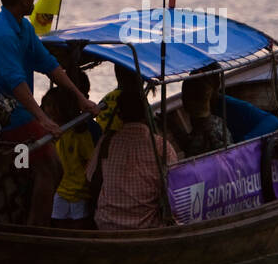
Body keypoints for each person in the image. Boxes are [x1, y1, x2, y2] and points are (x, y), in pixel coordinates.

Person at [0, 0, 99, 225]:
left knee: (42, 168)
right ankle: (35, 230)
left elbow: (48, 64)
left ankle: (28, 218)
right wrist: (43, 118)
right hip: (8, 117)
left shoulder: (24, 27)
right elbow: (16, 83)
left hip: (22, 113)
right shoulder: (2, 33)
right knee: (51, 166)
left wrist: (79, 97)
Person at [86, 87, 180, 230]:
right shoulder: (162, 146)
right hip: (146, 226)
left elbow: (90, 179)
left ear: (120, 115)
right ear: (146, 113)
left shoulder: (107, 141)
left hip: (107, 224)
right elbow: (174, 190)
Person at [42, 76, 101, 228]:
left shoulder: (80, 133)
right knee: (57, 222)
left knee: (78, 224)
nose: (49, 111)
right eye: (47, 106)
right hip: (61, 189)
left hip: (79, 191)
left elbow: (90, 162)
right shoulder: (52, 133)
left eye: (52, 106)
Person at [174, 74, 232, 156]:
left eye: (183, 96)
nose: (182, 99)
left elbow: (191, 146)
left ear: (187, 101)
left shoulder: (205, 134)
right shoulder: (218, 121)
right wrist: (174, 128)